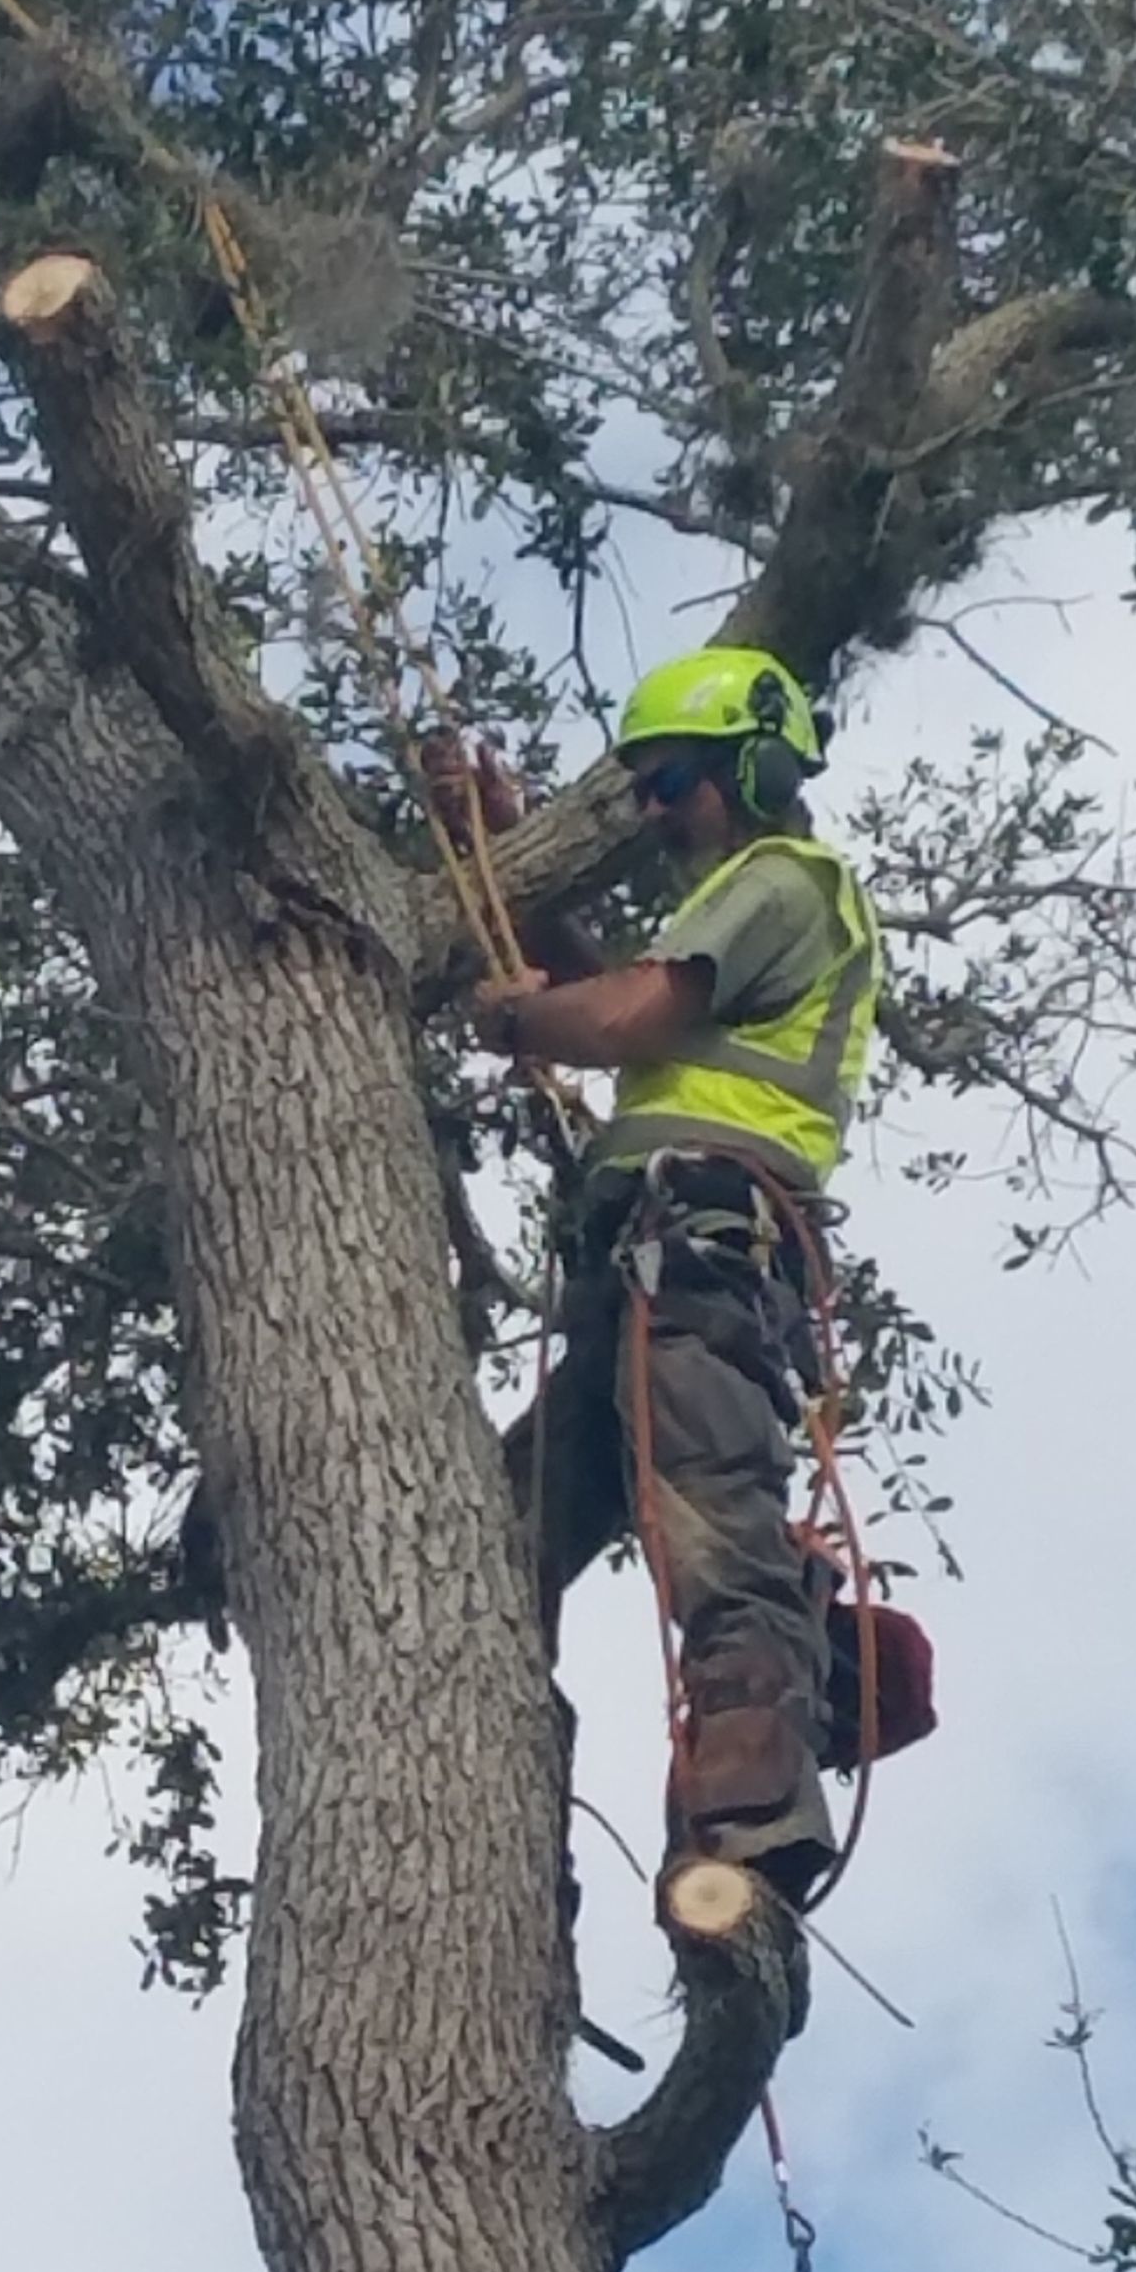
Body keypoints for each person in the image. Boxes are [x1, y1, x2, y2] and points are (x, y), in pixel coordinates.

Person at [472, 646, 882, 1909]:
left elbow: (621, 1018)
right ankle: (495, 1814)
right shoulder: (731, 913)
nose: (655, 815)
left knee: (715, 1533)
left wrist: (511, 1018)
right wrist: (495, 835)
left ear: (752, 766)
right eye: (642, 791)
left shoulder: (784, 880)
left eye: (674, 784)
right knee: (495, 1537)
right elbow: (625, 993)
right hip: (649, 1279)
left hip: (702, 1260)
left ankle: (756, 1826)